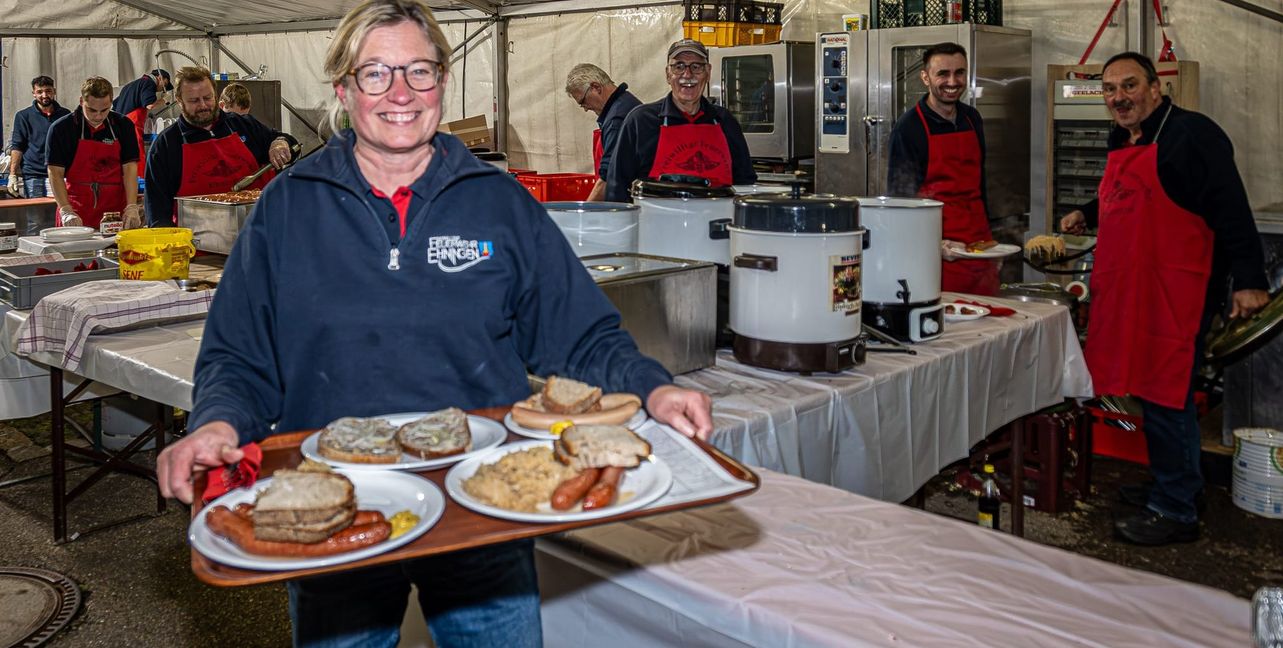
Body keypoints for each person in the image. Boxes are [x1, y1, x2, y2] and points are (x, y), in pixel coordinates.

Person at [156, 1, 713, 646]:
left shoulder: (497, 202)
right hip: (338, 505)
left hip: (483, 498)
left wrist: (653, 385)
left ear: (443, 83)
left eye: (420, 71)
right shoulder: (289, 207)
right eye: (376, 73)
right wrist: (218, 423)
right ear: (342, 89)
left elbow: (580, 331)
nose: (400, 93)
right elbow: (237, 355)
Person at [1060, 52, 1269, 546]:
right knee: (1152, 389)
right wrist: (1087, 211)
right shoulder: (1124, 137)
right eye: (1110, 90)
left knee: (1165, 390)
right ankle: (1181, 483)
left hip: (1179, 290)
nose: (1119, 98)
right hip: (1133, 287)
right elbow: (1128, 196)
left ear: (1156, 88)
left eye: (1129, 86)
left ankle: (1175, 509)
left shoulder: (1193, 134)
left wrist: (1249, 279)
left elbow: (1231, 209)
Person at [887, 42, 999, 296]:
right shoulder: (909, 127)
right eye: (942, 74)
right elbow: (899, 201)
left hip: (979, 245)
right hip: (938, 250)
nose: (952, 81)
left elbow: (980, 184)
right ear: (925, 77)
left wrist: (992, 243)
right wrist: (931, 245)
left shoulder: (972, 118)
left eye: (959, 73)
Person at [144, 66, 298, 226]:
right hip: (197, 245)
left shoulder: (243, 125)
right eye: (194, 100)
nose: (203, 105)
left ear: (216, 96)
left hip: (258, 234)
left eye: (208, 98)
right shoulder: (166, 145)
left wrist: (280, 143)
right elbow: (157, 213)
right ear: (179, 101)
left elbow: (291, 145)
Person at [606, 39, 756, 202]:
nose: (687, 75)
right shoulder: (640, 121)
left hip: (717, 224)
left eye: (696, 67)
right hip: (656, 225)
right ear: (668, 74)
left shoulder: (725, 121)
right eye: (679, 66)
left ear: (708, 72)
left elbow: (745, 184)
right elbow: (617, 189)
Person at [45, 77, 142, 230]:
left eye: (104, 110)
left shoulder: (123, 125)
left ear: (111, 103)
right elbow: (55, 173)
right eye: (91, 110)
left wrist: (131, 206)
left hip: (114, 209)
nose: (98, 116)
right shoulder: (61, 129)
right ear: (81, 101)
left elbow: (130, 168)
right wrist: (65, 209)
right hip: (76, 209)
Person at [564, 63, 641, 201]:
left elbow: (607, 178)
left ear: (596, 88)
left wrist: (586, 214)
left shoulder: (616, 120)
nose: (585, 108)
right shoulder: (627, 102)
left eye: (583, 101)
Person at [7, 76, 71, 231]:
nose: (44, 95)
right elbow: (17, 146)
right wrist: (12, 174)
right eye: (40, 91)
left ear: (54, 92)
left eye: (48, 91)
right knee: (36, 220)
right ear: (33, 94)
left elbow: (72, 146)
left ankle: (57, 253)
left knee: (59, 216)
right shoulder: (24, 116)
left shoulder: (66, 115)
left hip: (58, 174)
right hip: (33, 175)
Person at [112, 68, 170, 179]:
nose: (162, 89)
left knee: (123, 152)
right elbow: (150, 105)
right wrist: (164, 100)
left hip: (119, 122)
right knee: (136, 152)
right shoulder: (149, 83)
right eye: (165, 84)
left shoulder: (130, 85)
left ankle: (125, 178)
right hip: (132, 122)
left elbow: (115, 104)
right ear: (160, 78)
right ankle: (139, 180)